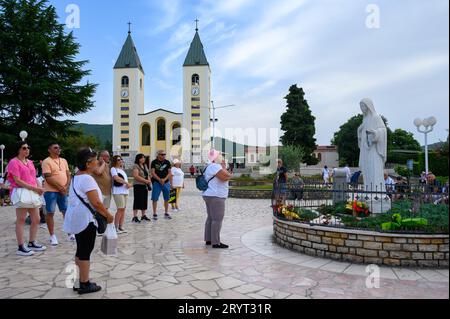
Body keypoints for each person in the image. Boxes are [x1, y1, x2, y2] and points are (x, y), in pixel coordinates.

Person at [63, 148, 114, 295]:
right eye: (96, 160)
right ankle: (85, 284)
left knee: (80, 250)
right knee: (85, 251)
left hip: (77, 219)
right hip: (86, 220)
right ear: (88, 163)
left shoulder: (76, 177)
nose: (98, 162)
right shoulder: (87, 179)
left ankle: (80, 281)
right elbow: (96, 203)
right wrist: (108, 215)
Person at [7, 141, 46, 256]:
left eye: (28, 147)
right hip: (21, 191)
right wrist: (34, 188)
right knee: (21, 219)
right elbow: (17, 180)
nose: (27, 150)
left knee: (36, 218)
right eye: (24, 148)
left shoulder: (30, 162)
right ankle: (20, 246)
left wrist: (39, 189)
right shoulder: (14, 162)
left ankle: (32, 242)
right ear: (18, 149)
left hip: (32, 192)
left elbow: (34, 177)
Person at [42, 143, 72, 246]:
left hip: (63, 191)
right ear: (49, 150)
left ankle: (70, 232)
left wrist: (66, 187)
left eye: (59, 147)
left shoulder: (64, 160)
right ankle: (52, 236)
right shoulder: (46, 161)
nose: (58, 149)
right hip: (51, 191)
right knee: (50, 213)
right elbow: (48, 177)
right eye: (55, 147)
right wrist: (60, 187)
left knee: (66, 212)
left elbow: (68, 175)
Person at [203, 149, 232, 249]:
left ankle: (209, 239)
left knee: (210, 218)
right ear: (216, 157)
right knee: (217, 219)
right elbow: (225, 177)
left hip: (210, 194)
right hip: (216, 196)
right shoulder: (215, 166)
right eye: (220, 155)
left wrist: (224, 168)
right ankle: (216, 242)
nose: (222, 156)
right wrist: (227, 171)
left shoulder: (209, 166)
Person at [111, 156, 132, 233]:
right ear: (115, 161)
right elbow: (116, 178)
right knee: (120, 209)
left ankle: (120, 226)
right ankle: (115, 227)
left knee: (123, 209)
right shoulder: (113, 169)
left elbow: (123, 179)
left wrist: (128, 184)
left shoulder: (122, 170)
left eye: (121, 159)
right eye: (118, 160)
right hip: (118, 191)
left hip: (125, 191)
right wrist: (126, 183)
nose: (120, 161)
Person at [151, 150, 173, 220]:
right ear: (158, 155)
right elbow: (153, 173)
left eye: (164, 154)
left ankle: (166, 213)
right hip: (157, 183)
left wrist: (164, 179)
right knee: (155, 198)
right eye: (162, 154)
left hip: (166, 182)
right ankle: (154, 213)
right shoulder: (154, 162)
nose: (163, 156)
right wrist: (159, 180)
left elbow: (169, 173)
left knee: (167, 198)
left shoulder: (167, 162)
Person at [131, 154, 152, 223]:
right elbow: (136, 176)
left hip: (144, 186)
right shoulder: (136, 166)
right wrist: (146, 181)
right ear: (138, 159)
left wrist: (149, 181)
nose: (143, 159)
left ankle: (143, 215)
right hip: (138, 185)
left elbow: (147, 174)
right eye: (142, 158)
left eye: (144, 158)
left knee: (144, 200)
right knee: (137, 200)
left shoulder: (145, 165)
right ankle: (135, 216)